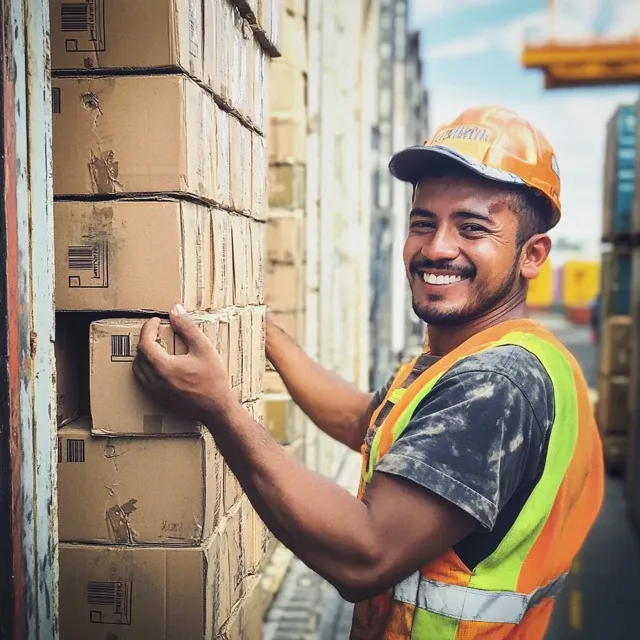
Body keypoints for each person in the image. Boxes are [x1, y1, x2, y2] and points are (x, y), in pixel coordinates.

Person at [132, 105, 604, 639]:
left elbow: (366, 555)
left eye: (472, 228)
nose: (437, 247)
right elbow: (366, 420)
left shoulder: (496, 383)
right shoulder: (479, 356)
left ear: (532, 254)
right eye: (423, 223)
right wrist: (256, 333)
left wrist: (217, 409)